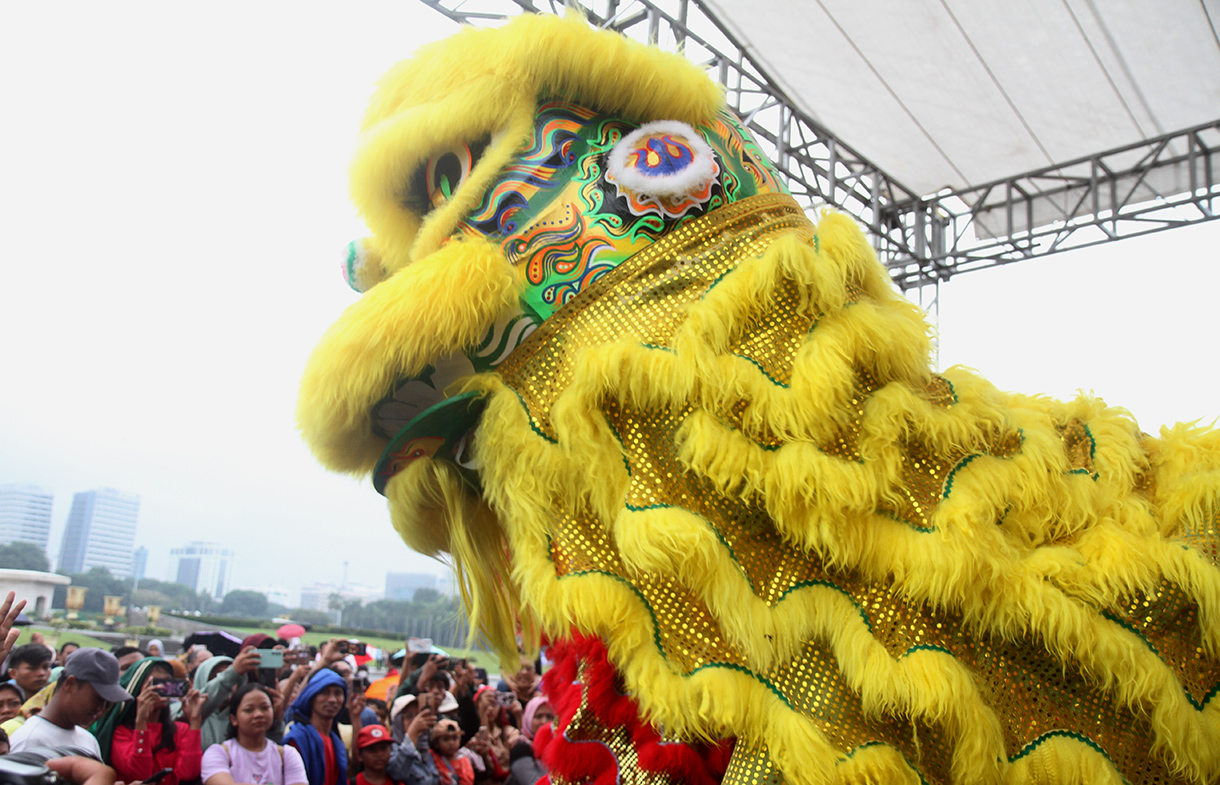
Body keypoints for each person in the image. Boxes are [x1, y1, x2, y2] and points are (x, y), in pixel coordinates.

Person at [92, 657, 204, 785]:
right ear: (139, 689)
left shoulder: (180, 729)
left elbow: (189, 773)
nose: (161, 689)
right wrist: (141, 721)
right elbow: (139, 774)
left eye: (166, 683)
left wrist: (195, 721)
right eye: (155, 684)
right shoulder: (120, 732)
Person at [9, 648, 133, 756]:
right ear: (70, 684)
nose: (101, 709)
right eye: (98, 699)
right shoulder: (30, 740)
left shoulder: (88, 739)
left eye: (107, 703)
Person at [200, 682, 308, 785]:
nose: (258, 714)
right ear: (233, 719)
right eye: (249, 710)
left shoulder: (287, 755)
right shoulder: (218, 753)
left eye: (265, 708)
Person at [284, 668, 348, 785]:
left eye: (338, 693)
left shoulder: (336, 742)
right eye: (325, 692)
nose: (332, 699)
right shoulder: (298, 739)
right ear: (311, 697)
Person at [429, 720, 473, 785]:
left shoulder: (463, 761)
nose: (451, 743)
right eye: (446, 739)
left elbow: (467, 782)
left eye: (455, 738)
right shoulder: (432, 756)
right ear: (436, 743)